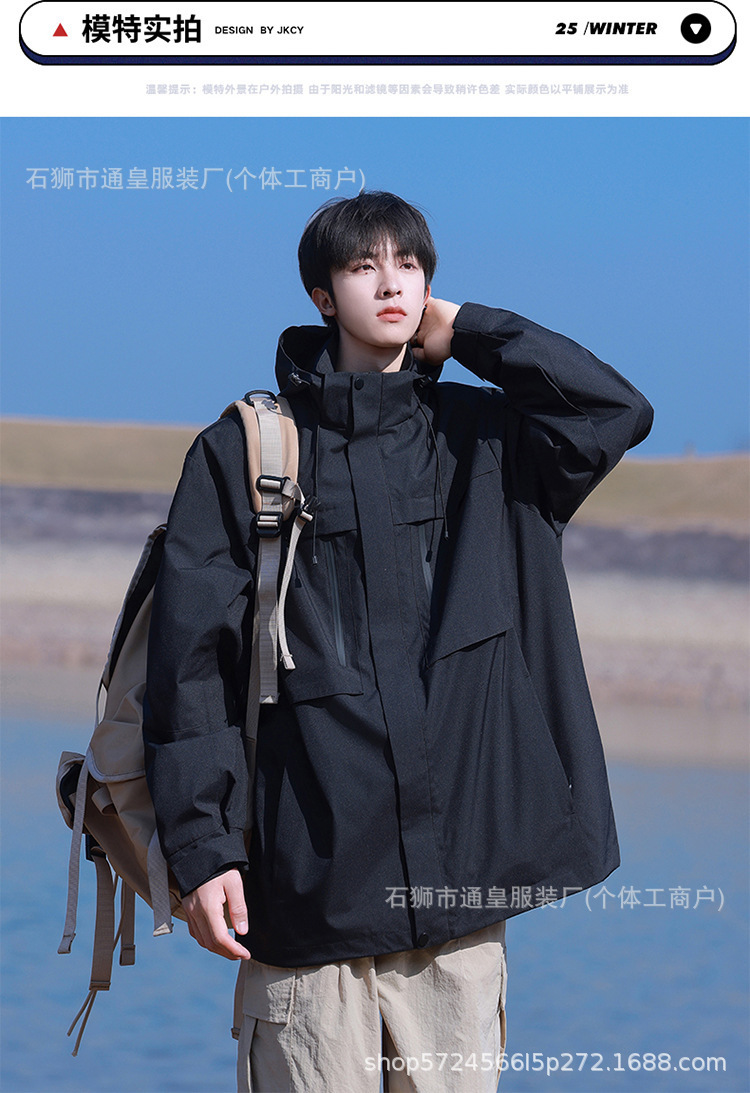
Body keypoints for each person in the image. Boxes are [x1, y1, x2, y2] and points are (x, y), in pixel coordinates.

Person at [143, 191, 653, 1091]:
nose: (391, 284)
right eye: (363, 266)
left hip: (457, 915)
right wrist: (203, 848)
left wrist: (476, 333)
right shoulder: (243, 454)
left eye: (409, 265)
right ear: (321, 294)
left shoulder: (485, 439)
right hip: (307, 905)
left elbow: (614, 411)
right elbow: (190, 668)